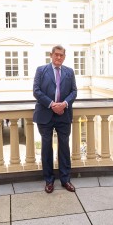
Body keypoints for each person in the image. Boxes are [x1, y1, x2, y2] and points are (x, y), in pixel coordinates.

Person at [33, 45, 77, 194]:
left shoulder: (69, 72)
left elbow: (74, 91)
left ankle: (65, 179)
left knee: (64, 147)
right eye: (56, 55)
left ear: (64, 57)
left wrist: (64, 104)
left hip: (64, 114)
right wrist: (52, 105)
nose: (59, 57)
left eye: (61, 55)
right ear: (51, 55)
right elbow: (36, 91)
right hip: (45, 114)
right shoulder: (41, 70)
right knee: (46, 148)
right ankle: (49, 180)